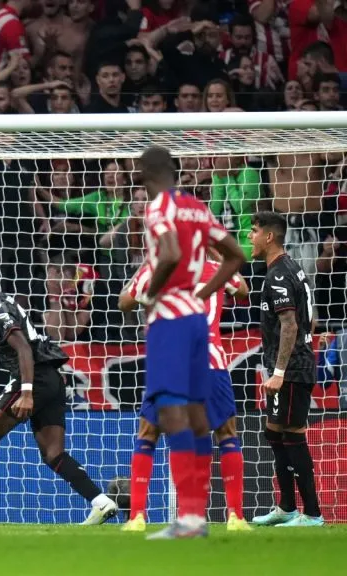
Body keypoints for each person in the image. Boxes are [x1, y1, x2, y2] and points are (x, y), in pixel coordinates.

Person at [0, 256, 118, 525]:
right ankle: (101, 501)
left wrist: (25, 392)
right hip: (51, 379)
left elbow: (23, 348)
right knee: (53, 453)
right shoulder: (1, 303)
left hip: (34, 378)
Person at [135, 145, 244, 539]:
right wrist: (202, 294)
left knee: (168, 410)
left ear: (144, 172)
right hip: (198, 321)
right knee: (198, 411)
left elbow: (169, 253)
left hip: (170, 319)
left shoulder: (158, 206)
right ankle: (196, 518)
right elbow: (236, 255)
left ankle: (189, 519)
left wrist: (152, 296)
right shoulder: (198, 208)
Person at [119, 254, 252, 531]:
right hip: (210, 359)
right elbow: (243, 291)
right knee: (226, 433)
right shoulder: (217, 267)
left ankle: (137, 517)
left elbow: (124, 302)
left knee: (148, 434)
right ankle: (235, 517)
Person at [248, 212, 324, 527]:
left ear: (269, 236)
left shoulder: (278, 275)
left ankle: (313, 514)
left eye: (253, 231)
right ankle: (287, 507)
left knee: (292, 435)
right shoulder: (291, 268)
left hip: (292, 369)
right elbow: (311, 319)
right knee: (275, 433)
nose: (249, 236)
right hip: (291, 365)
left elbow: (290, 325)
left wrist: (279, 371)